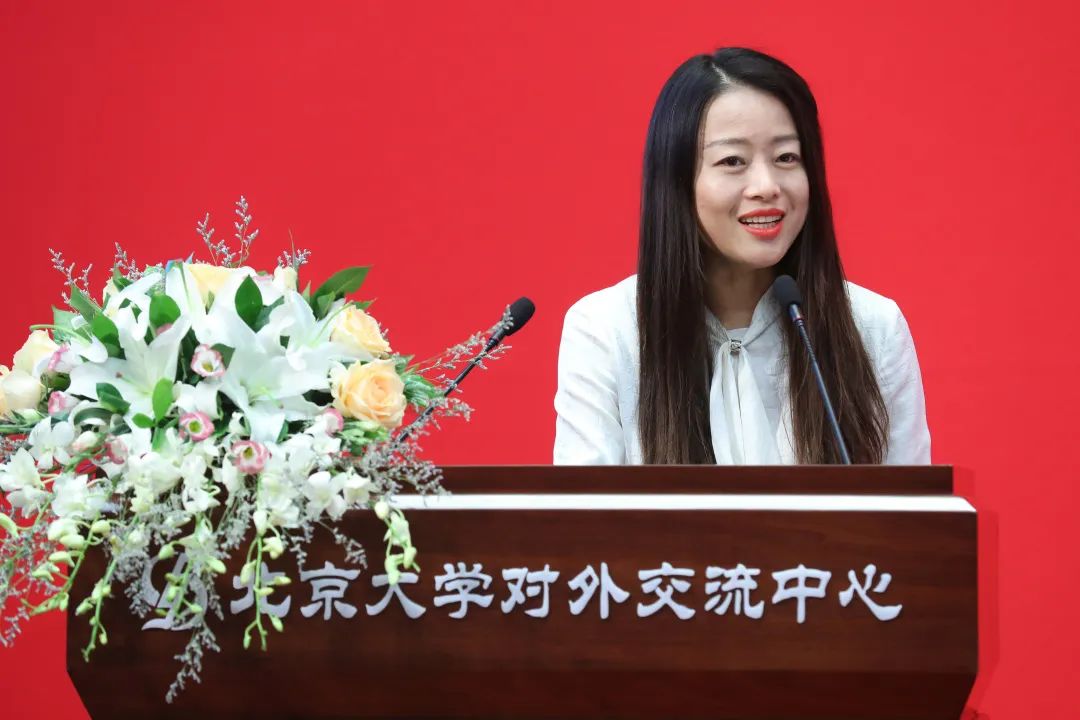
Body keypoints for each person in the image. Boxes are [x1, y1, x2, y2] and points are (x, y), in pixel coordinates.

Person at [553, 47, 930, 465]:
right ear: (677, 181)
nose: (767, 186)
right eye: (733, 161)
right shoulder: (607, 330)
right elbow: (584, 506)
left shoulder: (874, 328)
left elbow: (910, 501)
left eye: (786, 157)